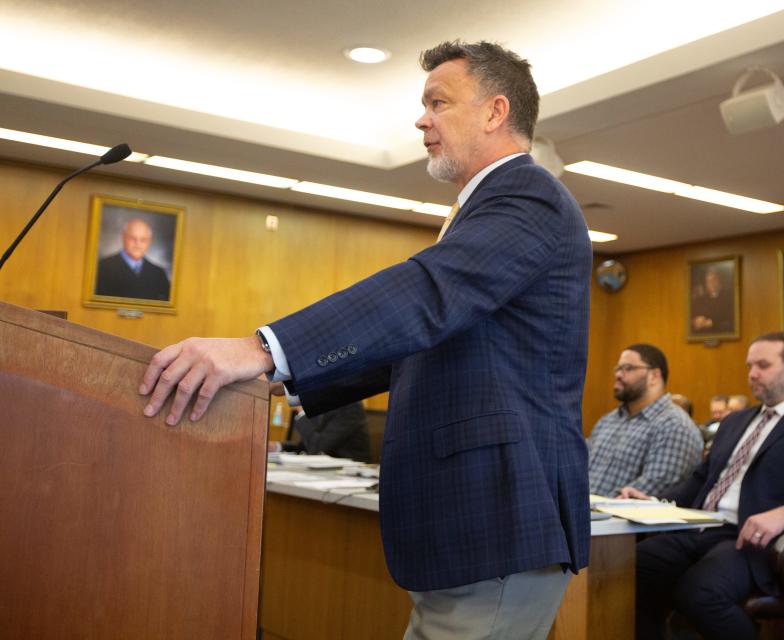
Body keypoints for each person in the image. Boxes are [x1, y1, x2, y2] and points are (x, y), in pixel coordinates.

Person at [140, 40, 592, 639]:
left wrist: (259, 348)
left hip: (500, 518)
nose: (421, 119)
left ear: (494, 111)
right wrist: (275, 380)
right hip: (476, 528)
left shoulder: (528, 197)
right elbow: (422, 338)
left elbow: (427, 295)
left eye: (438, 102)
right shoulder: (487, 209)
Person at [624, 332, 784, 640]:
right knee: (629, 573)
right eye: (750, 365)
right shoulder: (736, 421)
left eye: (763, 365)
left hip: (759, 540)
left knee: (699, 591)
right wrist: (653, 501)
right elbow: (700, 480)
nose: (752, 374)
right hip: (701, 527)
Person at [587, 345, 702, 497]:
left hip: (618, 517)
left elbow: (651, 489)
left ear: (654, 376)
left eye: (628, 368)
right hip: (584, 514)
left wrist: (590, 508)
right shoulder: (607, 420)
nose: (618, 375)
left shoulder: (675, 425)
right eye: (618, 368)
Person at [268, 384, 372, 461]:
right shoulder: (322, 403)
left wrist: (302, 413)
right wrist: (277, 446)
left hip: (350, 475)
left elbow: (317, 447)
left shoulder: (350, 407)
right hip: (324, 470)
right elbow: (307, 445)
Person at [95, 218, 171, 300]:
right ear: (123, 238)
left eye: (143, 240)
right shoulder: (103, 267)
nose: (137, 244)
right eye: (132, 238)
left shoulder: (158, 274)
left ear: (149, 242)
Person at [691, 267, 733, 334]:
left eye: (714, 280)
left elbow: (729, 320)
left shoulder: (728, 298)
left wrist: (710, 323)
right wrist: (696, 321)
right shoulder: (701, 300)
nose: (711, 283)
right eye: (708, 281)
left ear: (719, 280)